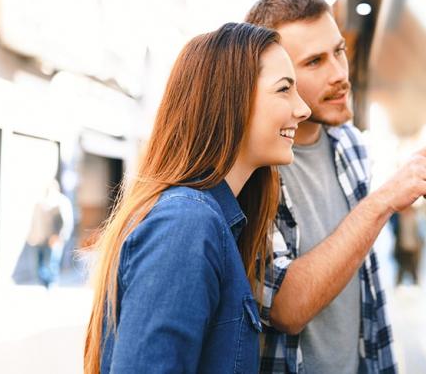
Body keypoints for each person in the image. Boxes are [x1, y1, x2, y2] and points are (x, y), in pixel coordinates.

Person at [245, 0, 426, 374]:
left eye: (339, 51)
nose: (339, 74)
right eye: (314, 61)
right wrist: (383, 202)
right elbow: (287, 309)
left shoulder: (351, 144)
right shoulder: (253, 168)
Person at [83, 22, 310, 373]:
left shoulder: (209, 220)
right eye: (284, 90)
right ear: (230, 99)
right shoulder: (185, 224)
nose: (302, 109)